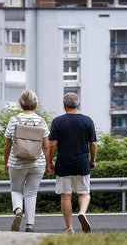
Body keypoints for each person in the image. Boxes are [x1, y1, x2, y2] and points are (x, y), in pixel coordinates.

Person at [47, 92, 97, 233]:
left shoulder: (58, 121)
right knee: (84, 193)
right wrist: (92, 160)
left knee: (65, 195)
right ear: (78, 104)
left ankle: (69, 228)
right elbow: (93, 144)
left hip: (63, 163)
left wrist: (49, 162)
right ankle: (82, 212)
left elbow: (52, 145)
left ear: (64, 105)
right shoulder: (88, 120)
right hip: (82, 163)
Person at [4, 89, 51, 233]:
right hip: (37, 163)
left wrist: (6, 162)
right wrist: (48, 164)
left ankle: (18, 210)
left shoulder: (14, 120)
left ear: (20, 103)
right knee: (31, 193)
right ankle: (29, 225)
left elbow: (7, 145)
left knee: (16, 189)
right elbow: (46, 146)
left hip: (16, 162)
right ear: (35, 104)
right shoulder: (41, 121)